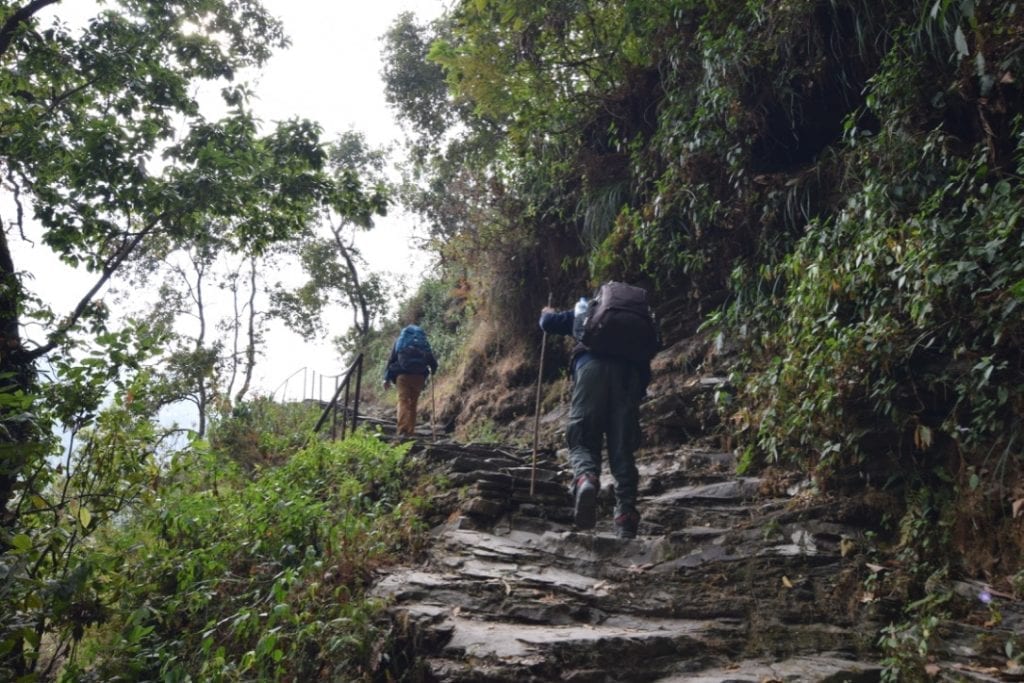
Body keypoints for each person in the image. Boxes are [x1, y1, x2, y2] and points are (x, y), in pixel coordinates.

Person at [539, 284, 657, 539]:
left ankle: (586, 478)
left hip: (591, 369)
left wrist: (546, 312)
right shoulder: (640, 319)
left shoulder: (587, 310)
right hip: (629, 376)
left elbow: (548, 323)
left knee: (582, 436)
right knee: (622, 448)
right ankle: (625, 516)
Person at [383, 324, 439, 437]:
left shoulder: (400, 341)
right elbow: (432, 361)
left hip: (402, 376)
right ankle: (410, 431)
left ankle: (402, 430)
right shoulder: (423, 343)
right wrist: (432, 372)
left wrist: (386, 378)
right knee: (413, 403)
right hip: (419, 376)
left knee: (403, 401)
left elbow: (391, 360)